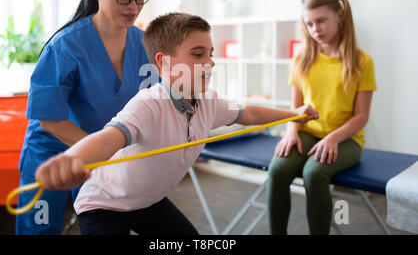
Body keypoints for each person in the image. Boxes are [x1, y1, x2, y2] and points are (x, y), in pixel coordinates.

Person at [34, 12, 319, 235]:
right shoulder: (149, 104)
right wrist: (71, 160)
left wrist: (295, 114)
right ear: (165, 62)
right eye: (198, 54)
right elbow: (109, 139)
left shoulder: (209, 102)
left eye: (211, 53)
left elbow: (249, 114)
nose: (210, 62)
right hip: (104, 204)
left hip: (148, 201)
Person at [16, 0, 154, 235]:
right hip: (51, 152)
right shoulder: (65, 45)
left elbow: (152, 101)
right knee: (40, 230)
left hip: (103, 153)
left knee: (103, 225)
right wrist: (105, 151)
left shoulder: (144, 44)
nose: (133, 6)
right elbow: (50, 120)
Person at [266, 0, 377, 235]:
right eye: (309, 23)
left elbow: (361, 116)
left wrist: (333, 139)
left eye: (321, 21)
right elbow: (295, 108)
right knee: (277, 170)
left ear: (340, 16)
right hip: (307, 132)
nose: (315, 28)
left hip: (346, 139)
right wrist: (291, 131)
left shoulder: (362, 62)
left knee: (314, 174)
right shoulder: (302, 59)